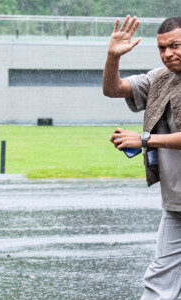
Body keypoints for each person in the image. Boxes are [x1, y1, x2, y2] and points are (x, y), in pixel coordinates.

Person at [103, 15, 181, 299]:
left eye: (175, 45)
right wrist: (113, 56)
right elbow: (113, 89)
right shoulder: (160, 78)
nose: (167, 54)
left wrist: (144, 139)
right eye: (162, 48)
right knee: (160, 281)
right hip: (176, 203)